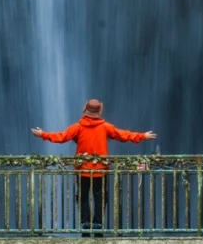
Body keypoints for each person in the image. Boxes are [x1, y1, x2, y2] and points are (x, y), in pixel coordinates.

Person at [31, 100, 156, 233]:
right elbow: (123, 135)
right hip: (100, 170)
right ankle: (98, 224)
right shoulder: (105, 127)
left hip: (83, 170)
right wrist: (143, 136)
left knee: (82, 196)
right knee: (100, 197)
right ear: (99, 112)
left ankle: (85, 223)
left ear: (85, 110)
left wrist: (43, 134)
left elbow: (61, 137)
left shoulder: (78, 127)